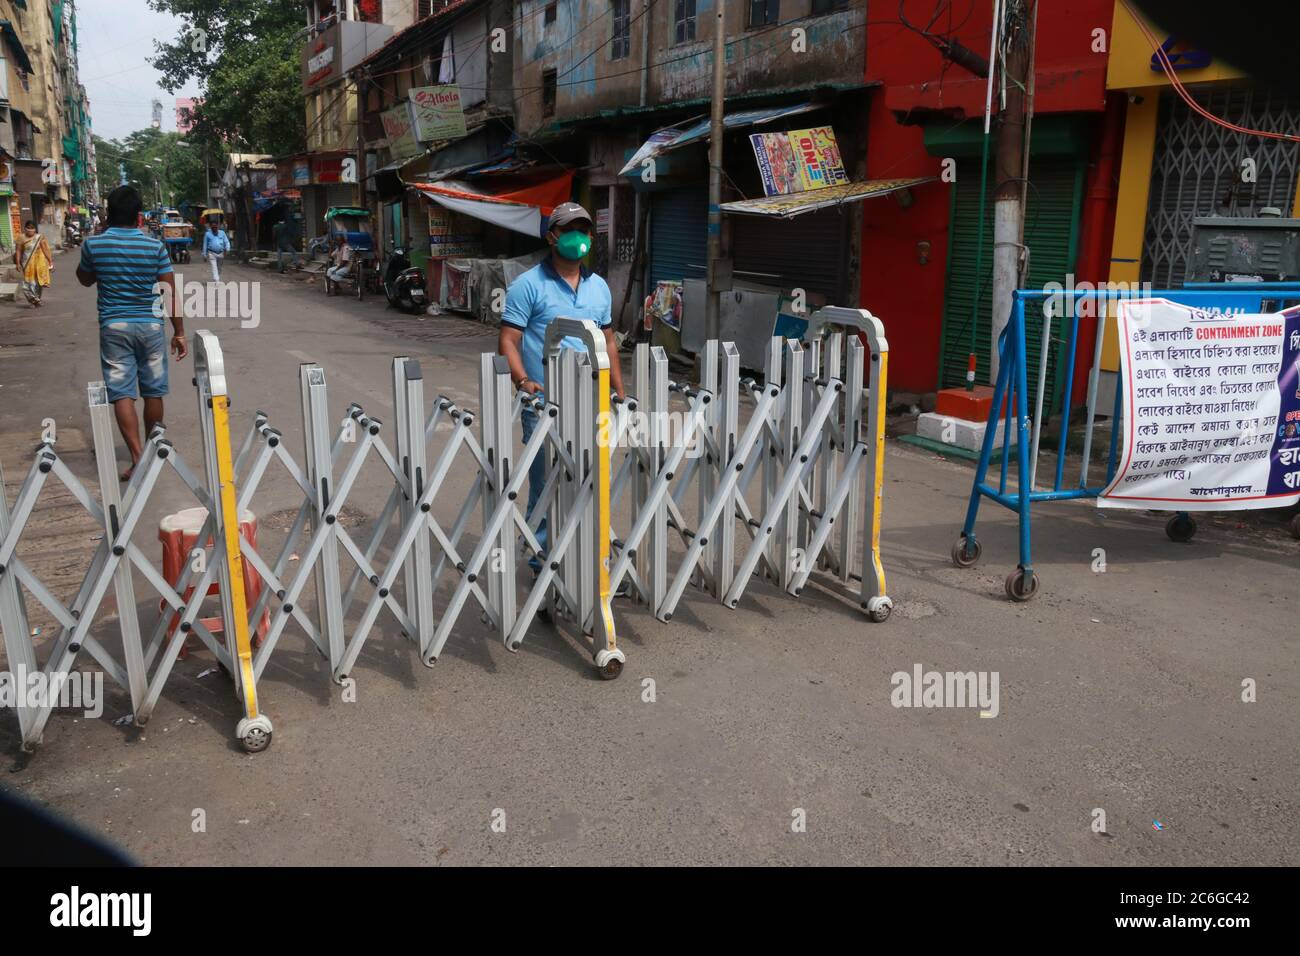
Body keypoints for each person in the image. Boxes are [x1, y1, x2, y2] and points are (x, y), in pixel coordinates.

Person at [499, 201, 624, 570]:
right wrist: (523, 381)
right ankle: (543, 563)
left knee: (594, 481)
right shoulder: (527, 285)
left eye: (584, 230)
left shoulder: (599, 287)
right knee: (545, 485)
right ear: (552, 236)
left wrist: (619, 389)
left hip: (592, 401)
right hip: (545, 403)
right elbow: (508, 339)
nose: (579, 237)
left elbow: (608, 341)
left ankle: (591, 561)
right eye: (570, 229)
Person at [76, 185, 186, 482]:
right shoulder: (155, 247)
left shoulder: (94, 245)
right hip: (150, 327)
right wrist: (179, 332)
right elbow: (169, 293)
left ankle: (138, 457)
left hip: (115, 327)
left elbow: (84, 279)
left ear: (108, 215)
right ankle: (153, 450)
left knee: (122, 392)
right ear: (139, 217)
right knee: (153, 390)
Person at [14, 222, 54, 308]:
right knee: (28, 283)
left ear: (35, 229)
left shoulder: (39, 237)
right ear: (25, 228)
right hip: (27, 264)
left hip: (40, 264)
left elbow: (45, 249)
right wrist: (17, 263)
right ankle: (33, 299)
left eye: (32, 228)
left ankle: (36, 299)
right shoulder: (21, 238)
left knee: (38, 283)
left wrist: (50, 261)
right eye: (28, 228)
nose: (30, 230)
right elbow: (18, 251)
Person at [201, 217, 230, 281]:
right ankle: (216, 279)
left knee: (219, 267)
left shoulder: (222, 233)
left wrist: (227, 249)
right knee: (214, 267)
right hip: (212, 253)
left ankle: (217, 275)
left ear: (218, 226)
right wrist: (204, 255)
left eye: (215, 226)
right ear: (210, 226)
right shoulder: (207, 234)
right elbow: (204, 245)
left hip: (221, 253)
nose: (214, 227)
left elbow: (226, 241)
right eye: (213, 226)